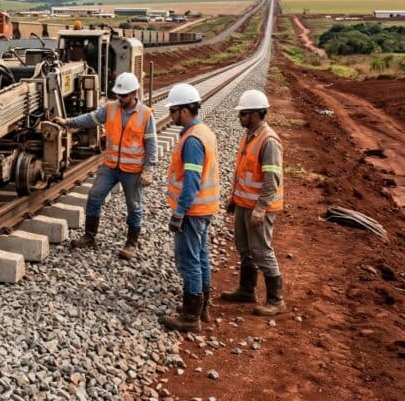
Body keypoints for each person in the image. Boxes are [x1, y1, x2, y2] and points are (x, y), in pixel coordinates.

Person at [51, 72, 157, 259]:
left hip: (132, 170)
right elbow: (89, 119)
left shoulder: (146, 115)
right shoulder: (110, 108)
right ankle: (89, 236)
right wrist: (67, 123)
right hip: (111, 166)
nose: (120, 99)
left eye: (123, 95)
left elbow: (151, 144)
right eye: (118, 95)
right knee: (94, 196)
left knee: (134, 206)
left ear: (134, 94)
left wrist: (148, 169)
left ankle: (131, 244)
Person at [220, 89, 287, 316]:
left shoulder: (268, 141)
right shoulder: (250, 135)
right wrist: (234, 199)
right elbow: (244, 172)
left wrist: (261, 207)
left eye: (243, 114)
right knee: (244, 248)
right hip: (243, 203)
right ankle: (247, 290)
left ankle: (276, 300)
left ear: (257, 114)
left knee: (261, 251)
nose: (240, 118)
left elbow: (272, 178)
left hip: (259, 208)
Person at [160, 83, 219, 333]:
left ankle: (190, 316)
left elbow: (192, 181)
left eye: (173, 110)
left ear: (184, 111)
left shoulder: (192, 140)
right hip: (205, 209)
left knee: (189, 261)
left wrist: (179, 211)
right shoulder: (204, 131)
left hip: (193, 211)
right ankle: (202, 306)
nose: (171, 115)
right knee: (201, 256)